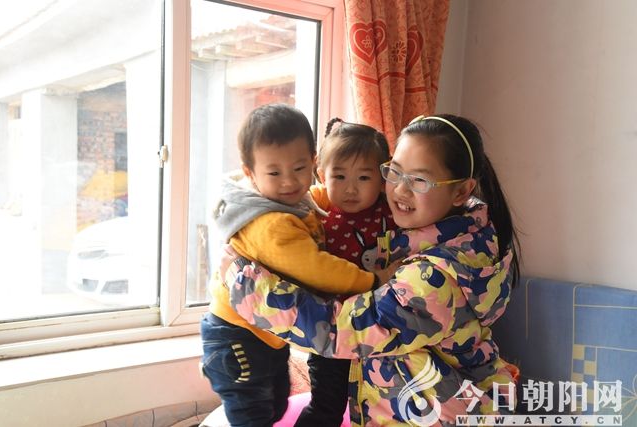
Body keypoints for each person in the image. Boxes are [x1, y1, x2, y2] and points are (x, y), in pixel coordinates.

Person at [222, 114, 521, 426]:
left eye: (419, 180)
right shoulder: (465, 233)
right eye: (395, 172)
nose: (400, 190)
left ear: (461, 192)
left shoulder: (435, 279)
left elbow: (341, 330)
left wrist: (247, 286)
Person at [200, 104, 395, 427]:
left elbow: (319, 198)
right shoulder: (272, 224)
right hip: (238, 338)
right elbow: (318, 269)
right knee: (253, 416)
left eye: (299, 168)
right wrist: (373, 280)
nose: (289, 181)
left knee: (276, 405)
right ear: (250, 173)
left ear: (313, 165)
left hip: (265, 334)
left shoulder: (291, 199)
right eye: (274, 173)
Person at [296, 118, 396, 427]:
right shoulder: (316, 217)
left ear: (383, 178)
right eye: (339, 176)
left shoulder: (394, 211)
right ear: (321, 175)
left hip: (382, 331)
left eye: (363, 177)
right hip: (333, 333)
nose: (351, 188)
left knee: (380, 407)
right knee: (326, 407)